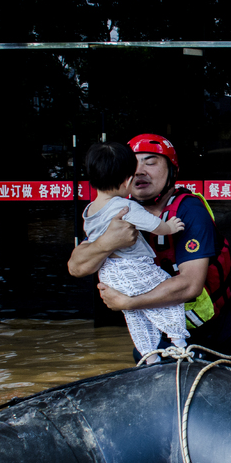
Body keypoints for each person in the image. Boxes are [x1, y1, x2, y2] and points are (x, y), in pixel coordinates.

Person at [68, 134, 231, 359]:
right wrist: (108, 242)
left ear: (172, 170)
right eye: (133, 164)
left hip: (205, 338)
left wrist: (130, 303)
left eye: (150, 162)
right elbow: (77, 267)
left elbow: (190, 286)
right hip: (154, 335)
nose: (139, 170)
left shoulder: (189, 211)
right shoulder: (117, 211)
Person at [81, 142, 188, 364]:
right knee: (168, 293)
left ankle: (149, 356)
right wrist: (170, 227)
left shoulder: (90, 209)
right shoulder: (124, 206)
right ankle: (179, 343)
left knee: (136, 315)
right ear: (128, 180)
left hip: (108, 274)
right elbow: (152, 224)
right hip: (132, 266)